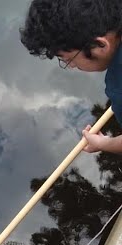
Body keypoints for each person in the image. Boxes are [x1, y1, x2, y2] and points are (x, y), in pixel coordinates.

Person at [20, 1, 122, 154]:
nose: (71, 66)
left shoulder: (118, 85)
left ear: (101, 45)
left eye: (68, 59)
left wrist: (104, 144)